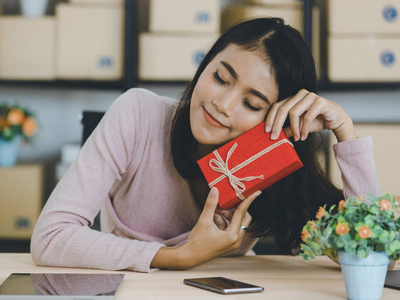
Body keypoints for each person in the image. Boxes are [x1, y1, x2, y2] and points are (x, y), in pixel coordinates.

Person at [31, 18, 380, 272]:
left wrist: (344, 131)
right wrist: (178, 257)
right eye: (220, 78)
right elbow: (50, 237)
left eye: (252, 104)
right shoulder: (138, 114)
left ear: (277, 118)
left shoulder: (273, 162)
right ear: (204, 65)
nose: (223, 105)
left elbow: (375, 253)